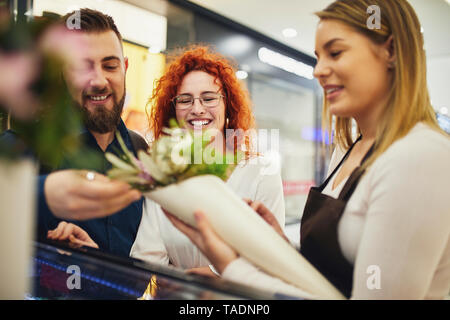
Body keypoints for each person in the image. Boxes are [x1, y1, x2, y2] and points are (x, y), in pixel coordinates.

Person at [165, 0, 450, 299]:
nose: (319, 70)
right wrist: (281, 248)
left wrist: (231, 268)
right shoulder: (348, 150)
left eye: (335, 53)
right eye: (318, 57)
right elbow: (331, 278)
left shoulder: (419, 157)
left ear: (390, 51)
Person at [126, 46, 285, 276]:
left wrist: (201, 275)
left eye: (209, 98)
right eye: (185, 100)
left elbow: (272, 258)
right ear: (173, 112)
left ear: (227, 106)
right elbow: (146, 260)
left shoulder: (260, 173)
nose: (197, 109)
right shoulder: (162, 176)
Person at [34, 8, 146, 257]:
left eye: (110, 66)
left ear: (124, 68)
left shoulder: (140, 152)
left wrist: (95, 262)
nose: (98, 80)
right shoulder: (32, 144)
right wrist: (43, 194)